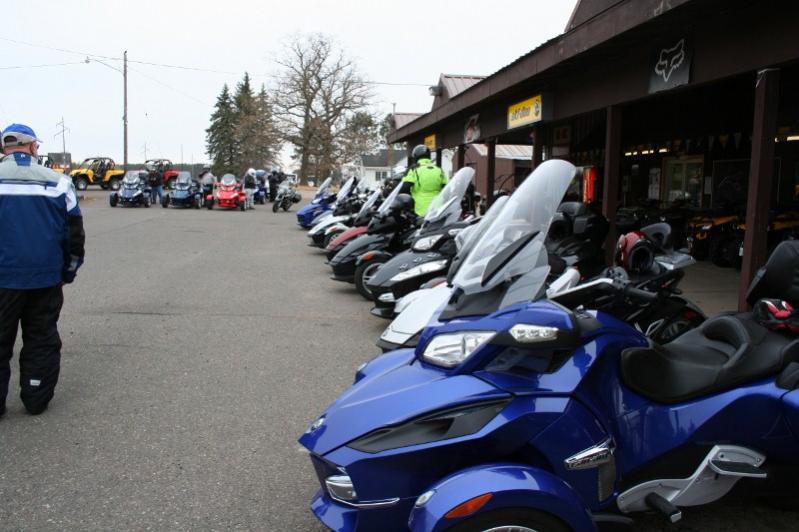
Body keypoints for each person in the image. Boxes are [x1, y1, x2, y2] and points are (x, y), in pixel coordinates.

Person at [0, 124, 85, 417]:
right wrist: (68, 271)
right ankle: (36, 397)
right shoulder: (59, 182)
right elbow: (74, 235)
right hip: (45, 278)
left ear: (4, 148)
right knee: (41, 338)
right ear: (33, 147)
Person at [400, 145, 447, 217]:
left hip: (419, 209)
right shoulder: (439, 169)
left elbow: (404, 187)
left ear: (416, 156)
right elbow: (446, 188)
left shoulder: (413, 169)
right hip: (437, 209)